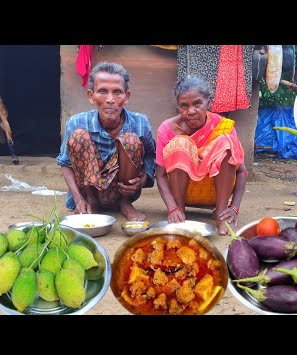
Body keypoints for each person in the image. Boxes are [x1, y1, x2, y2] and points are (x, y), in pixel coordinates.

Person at [56, 61, 156, 221]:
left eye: (117, 92)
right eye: (102, 91)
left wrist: (142, 180)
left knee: (130, 139)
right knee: (79, 136)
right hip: (88, 190)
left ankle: (125, 203)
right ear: (91, 96)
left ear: (126, 96)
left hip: (122, 191)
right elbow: (65, 163)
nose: (110, 99)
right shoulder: (76, 122)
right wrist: (78, 200)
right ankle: (90, 202)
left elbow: (151, 156)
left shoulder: (140, 123)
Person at [155, 75, 248, 235]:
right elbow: (160, 175)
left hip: (217, 194)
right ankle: (180, 214)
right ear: (178, 107)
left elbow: (242, 172)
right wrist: (172, 208)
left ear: (209, 102)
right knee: (180, 144)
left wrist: (234, 207)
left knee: (227, 142)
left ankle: (221, 216)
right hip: (182, 194)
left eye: (197, 103)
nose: (191, 111)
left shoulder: (223, 127)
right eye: (184, 105)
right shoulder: (167, 129)